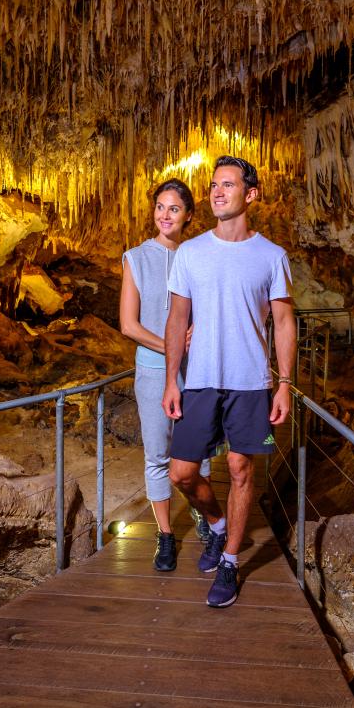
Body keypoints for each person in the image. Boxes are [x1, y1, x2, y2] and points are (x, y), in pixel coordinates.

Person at [162, 155, 296, 608]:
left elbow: (283, 322)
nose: (217, 191)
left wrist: (284, 384)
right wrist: (171, 381)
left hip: (250, 382)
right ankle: (217, 526)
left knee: (240, 469)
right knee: (181, 473)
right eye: (214, 184)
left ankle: (231, 562)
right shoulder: (191, 252)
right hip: (200, 379)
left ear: (250, 194)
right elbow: (177, 319)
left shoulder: (271, 256)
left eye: (228, 184)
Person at [119, 178, 212, 572]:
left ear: (188, 215)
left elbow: (208, 310)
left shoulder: (199, 256)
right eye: (160, 207)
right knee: (158, 454)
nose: (165, 215)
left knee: (199, 455)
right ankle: (165, 535)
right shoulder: (136, 258)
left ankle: (205, 517)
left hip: (197, 372)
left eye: (174, 208)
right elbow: (129, 325)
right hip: (154, 372)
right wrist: (172, 346)